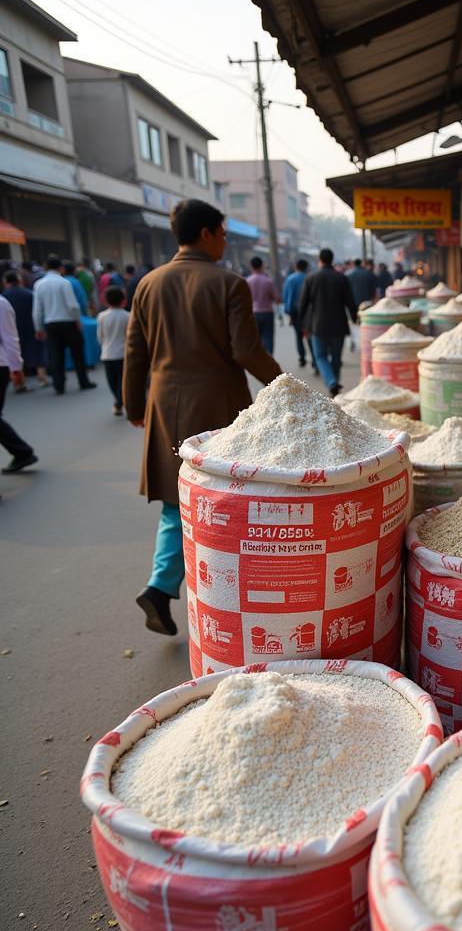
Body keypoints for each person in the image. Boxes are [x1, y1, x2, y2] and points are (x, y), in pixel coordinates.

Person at [125, 199, 282, 636]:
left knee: (177, 505)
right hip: (216, 410)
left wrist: (135, 408)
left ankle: (160, 585)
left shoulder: (147, 284)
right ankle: (223, 598)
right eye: (224, 233)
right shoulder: (228, 283)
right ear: (209, 233)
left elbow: (135, 353)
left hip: (164, 407)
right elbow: (245, 351)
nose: (225, 241)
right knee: (223, 503)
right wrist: (285, 385)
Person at [32, 255, 96, 394]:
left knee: (56, 355)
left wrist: (38, 328)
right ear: (60, 268)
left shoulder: (39, 284)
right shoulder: (64, 283)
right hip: (68, 322)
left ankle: (59, 385)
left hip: (50, 323)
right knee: (77, 353)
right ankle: (83, 381)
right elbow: (73, 306)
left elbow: (37, 310)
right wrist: (78, 321)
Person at [298, 247, 357, 395]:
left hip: (318, 326)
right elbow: (350, 302)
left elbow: (303, 304)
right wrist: (355, 318)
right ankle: (334, 383)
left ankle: (332, 382)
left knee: (320, 356)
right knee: (336, 357)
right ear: (332, 259)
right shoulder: (341, 278)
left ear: (320, 260)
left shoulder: (311, 278)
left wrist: (302, 325)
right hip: (339, 325)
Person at [0, 291, 38, 474]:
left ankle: (22, 452)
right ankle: (22, 452)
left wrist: (16, 367)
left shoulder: (1, 304)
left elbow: (9, 338)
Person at [2, 270, 48, 389]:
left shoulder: (4, 298)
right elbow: (37, 311)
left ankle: (19, 381)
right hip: (30, 326)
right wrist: (39, 327)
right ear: (19, 281)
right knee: (37, 351)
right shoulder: (29, 294)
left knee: (16, 352)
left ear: (6, 283)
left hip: (12, 328)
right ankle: (42, 376)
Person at [97, 285, 128, 415]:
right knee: (123, 380)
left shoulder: (102, 316)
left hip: (107, 353)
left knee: (112, 380)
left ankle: (118, 401)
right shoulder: (127, 316)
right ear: (123, 300)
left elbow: (100, 335)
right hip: (123, 353)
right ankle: (121, 401)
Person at [247, 256, 279, 354]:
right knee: (268, 337)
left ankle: (259, 361)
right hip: (267, 312)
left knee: (256, 339)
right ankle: (269, 360)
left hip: (253, 313)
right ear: (262, 266)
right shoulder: (268, 281)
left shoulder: (247, 281)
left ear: (251, 267)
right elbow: (277, 298)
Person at [282, 258, 309, 367]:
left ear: (296, 266)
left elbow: (288, 297)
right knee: (310, 335)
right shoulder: (309, 278)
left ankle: (302, 357)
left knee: (299, 336)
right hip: (308, 312)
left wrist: (288, 312)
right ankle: (316, 361)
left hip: (296, 312)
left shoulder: (290, 279)